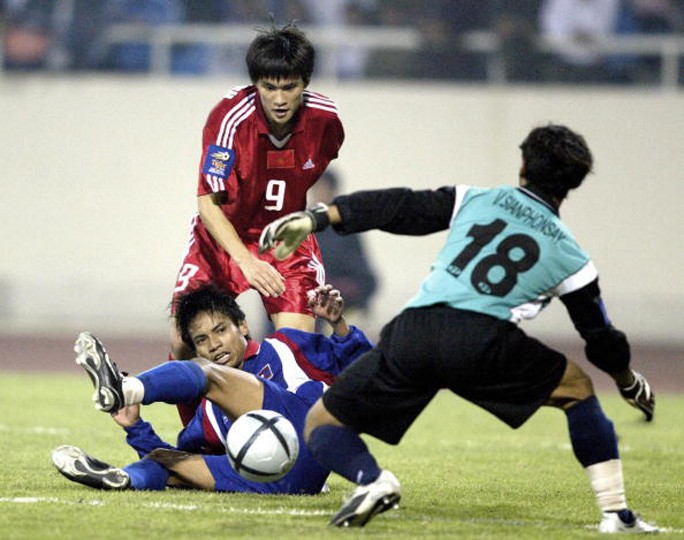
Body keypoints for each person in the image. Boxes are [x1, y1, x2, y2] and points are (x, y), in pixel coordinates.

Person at [259, 124, 658, 532]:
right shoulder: (573, 258)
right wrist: (626, 380)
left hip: (415, 330)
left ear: (523, 166)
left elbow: (403, 207)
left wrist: (320, 216)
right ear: (572, 185)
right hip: (482, 342)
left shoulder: (478, 199)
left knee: (322, 424)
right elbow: (601, 339)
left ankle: (373, 480)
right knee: (578, 390)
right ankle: (617, 514)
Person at [51, 283, 372, 494]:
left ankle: (125, 388)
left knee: (208, 374)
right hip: (281, 483)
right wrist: (134, 426)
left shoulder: (286, 347)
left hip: (311, 440)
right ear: (194, 348)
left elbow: (364, 369)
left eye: (220, 330)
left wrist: (338, 325)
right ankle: (123, 479)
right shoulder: (208, 415)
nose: (214, 344)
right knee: (167, 460)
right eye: (202, 340)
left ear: (243, 326)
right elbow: (186, 458)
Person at [170, 22, 344, 367]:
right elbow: (207, 202)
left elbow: (308, 169)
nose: (279, 99)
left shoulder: (326, 122)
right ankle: (198, 423)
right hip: (222, 242)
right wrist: (245, 261)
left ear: (305, 83)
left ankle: (273, 416)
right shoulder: (228, 119)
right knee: (183, 344)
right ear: (256, 84)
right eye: (269, 87)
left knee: (300, 351)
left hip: (284, 242)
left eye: (289, 87)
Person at [306, 170, 378, 334]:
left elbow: (367, 280)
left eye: (324, 189)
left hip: (342, 308)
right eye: (316, 189)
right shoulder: (302, 230)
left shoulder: (347, 230)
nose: (319, 194)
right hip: (306, 312)